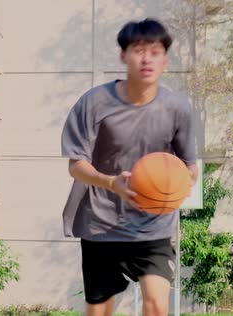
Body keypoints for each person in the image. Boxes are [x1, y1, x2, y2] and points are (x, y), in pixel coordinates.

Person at [61, 18, 198, 316]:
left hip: (153, 225)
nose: (147, 58)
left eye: (155, 51)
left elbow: (190, 166)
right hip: (101, 224)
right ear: (123, 56)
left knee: (157, 305)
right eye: (138, 50)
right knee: (99, 311)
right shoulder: (94, 103)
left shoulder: (177, 108)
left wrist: (181, 182)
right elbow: (75, 165)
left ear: (165, 60)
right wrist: (111, 183)